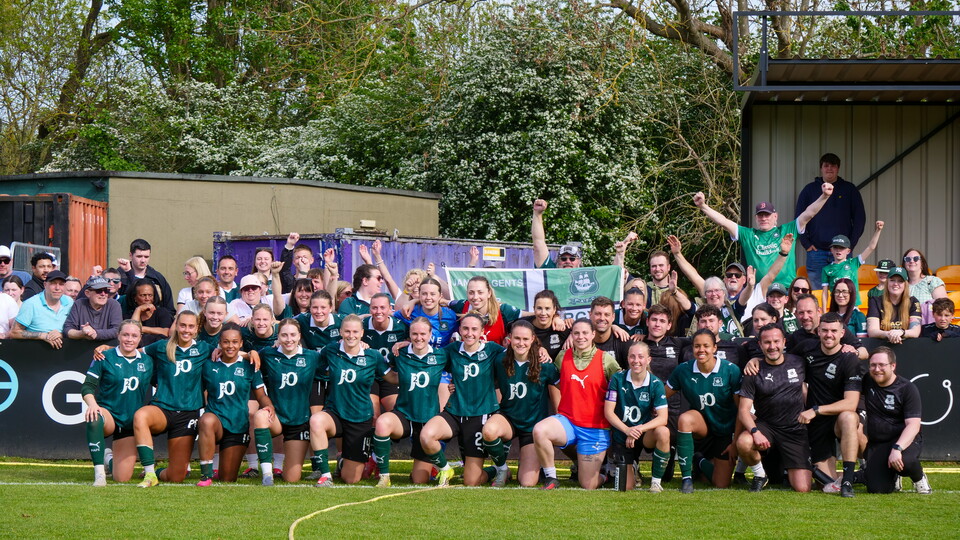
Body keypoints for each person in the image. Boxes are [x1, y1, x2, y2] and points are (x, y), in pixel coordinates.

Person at [534, 319, 620, 490]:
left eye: (585, 333)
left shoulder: (606, 360)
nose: (581, 337)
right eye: (576, 333)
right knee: (540, 430)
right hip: (568, 421)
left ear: (593, 335)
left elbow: (620, 386)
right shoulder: (562, 356)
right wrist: (541, 350)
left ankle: (605, 475)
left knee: (588, 484)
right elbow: (555, 380)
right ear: (571, 335)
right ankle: (551, 478)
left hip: (595, 428)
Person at [694, 182, 833, 287]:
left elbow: (809, 213)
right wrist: (703, 206)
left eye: (767, 215)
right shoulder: (747, 235)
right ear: (756, 218)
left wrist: (824, 196)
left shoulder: (786, 230)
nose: (764, 218)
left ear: (775, 216)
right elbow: (723, 222)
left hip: (786, 290)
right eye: (760, 216)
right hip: (761, 291)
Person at [421, 313, 505, 487]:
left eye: (474, 329)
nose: (469, 333)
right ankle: (445, 469)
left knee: (471, 482)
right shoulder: (451, 350)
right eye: (465, 328)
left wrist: (541, 351)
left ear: (482, 331)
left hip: (479, 415)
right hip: (454, 411)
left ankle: (495, 470)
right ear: (459, 330)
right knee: (427, 435)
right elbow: (426, 354)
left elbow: (519, 354)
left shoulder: (493, 350)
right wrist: (404, 344)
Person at [133, 310, 212, 487]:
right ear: (176, 326)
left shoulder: (204, 348)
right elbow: (132, 352)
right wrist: (109, 350)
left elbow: (230, 354)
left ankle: (159, 472)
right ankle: (150, 473)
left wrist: (250, 353)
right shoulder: (161, 346)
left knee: (177, 476)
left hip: (187, 414)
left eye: (191, 326)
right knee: (141, 416)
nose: (186, 330)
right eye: (182, 325)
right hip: (162, 408)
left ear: (197, 328)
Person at [309, 314, 390, 486]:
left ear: (362, 333)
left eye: (355, 331)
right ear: (340, 332)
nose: (351, 335)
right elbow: (315, 366)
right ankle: (325, 475)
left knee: (351, 479)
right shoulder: (330, 350)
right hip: (335, 413)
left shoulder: (373, 356)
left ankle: (342, 461)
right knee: (316, 420)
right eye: (347, 331)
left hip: (360, 417)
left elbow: (391, 377)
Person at [789, 312, 863, 497]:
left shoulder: (849, 358)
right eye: (825, 330)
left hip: (838, 416)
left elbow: (851, 403)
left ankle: (847, 481)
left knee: (848, 417)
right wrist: (756, 360)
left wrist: (815, 410)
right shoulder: (806, 348)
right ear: (818, 331)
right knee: (825, 484)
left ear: (842, 333)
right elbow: (781, 361)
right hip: (819, 422)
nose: (829, 335)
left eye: (833, 331)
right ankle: (864, 475)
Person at [483, 320, 561, 487]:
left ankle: (532, 466)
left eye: (525, 339)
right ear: (510, 338)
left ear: (533, 339)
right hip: (508, 419)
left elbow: (557, 388)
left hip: (532, 426)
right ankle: (502, 469)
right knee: (489, 431)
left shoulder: (544, 364)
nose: (521, 343)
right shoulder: (500, 360)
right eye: (517, 338)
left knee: (527, 482)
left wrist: (558, 416)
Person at [372, 317, 449, 487]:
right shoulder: (400, 353)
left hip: (427, 419)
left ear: (430, 335)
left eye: (423, 334)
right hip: (404, 415)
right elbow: (389, 374)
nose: (418, 337)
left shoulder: (442, 355)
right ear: (409, 335)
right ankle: (384, 476)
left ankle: (436, 467)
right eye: (414, 334)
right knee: (383, 422)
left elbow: (459, 369)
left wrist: (453, 386)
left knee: (419, 480)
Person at [735, 324, 811, 492]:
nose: (772, 346)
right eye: (767, 342)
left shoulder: (799, 362)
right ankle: (760, 475)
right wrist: (756, 432)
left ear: (784, 342)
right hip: (767, 428)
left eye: (776, 341)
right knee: (744, 442)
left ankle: (784, 469)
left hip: (794, 430)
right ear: (760, 345)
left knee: (802, 488)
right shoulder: (753, 371)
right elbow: (743, 410)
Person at [666, 330, 742, 494]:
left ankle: (698, 460)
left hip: (724, 432)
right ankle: (687, 479)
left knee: (720, 484)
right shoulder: (683, 370)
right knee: (685, 419)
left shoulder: (731, 370)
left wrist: (735, 442)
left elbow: (741, 409)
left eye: (706, 346)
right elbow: (662, 396)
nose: (701, 350)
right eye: (697, 346)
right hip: (701, 429)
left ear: (714, 348)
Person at [196, 324, 273, 485]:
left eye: (234, 342)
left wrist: (268, 406)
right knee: (206, 420)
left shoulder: (250, 365)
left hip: (238, 426)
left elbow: (261, 396)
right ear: (219, 343)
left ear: (241, 343)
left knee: (228, 478)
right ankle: (206, 475)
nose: (230, 346)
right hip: (216, 420)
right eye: (226, 342)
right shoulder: (209, 364)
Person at [81, 320, 154, 486]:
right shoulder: (104, 356)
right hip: (109, 416)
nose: (129, 339)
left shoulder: (148, 361)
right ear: (118, 336)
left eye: (134, 336)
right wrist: (92, 404)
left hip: (130, 423)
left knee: (122, 477)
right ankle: (99, 474)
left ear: (140, 338)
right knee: (94, 418)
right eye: (125, 335)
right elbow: (87, 386)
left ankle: (109, 459)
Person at [253, 318, 324, 484]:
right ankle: (267, 474)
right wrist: (249, 353)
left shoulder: (312, 357)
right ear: (278, 337)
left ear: (299, 336)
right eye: (284, 335)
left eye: (293, 335)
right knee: (259, 416)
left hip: (299, 421)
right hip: (276, 417)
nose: (289, 339)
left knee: (292, 478)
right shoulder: (267, 354)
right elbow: (246, 358)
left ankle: (288, 467)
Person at [861, 347, 931, 494]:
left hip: (904, 441)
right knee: (877, 489)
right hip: (879, 442)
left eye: (882, 365)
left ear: (893, 366)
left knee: (905, 462)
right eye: (873, 365)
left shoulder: (907, 388)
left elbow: (913, 425)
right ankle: (893, 477)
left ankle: (919, 478)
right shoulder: (867, 380)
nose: (877, 369)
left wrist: (897, 448)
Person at [603, 341, 671, 492]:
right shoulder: (617, 379)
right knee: (625, 487)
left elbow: (663, 418)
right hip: (623, 436)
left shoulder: (656, 383)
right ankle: (633, 465)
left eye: (641, 357)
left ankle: (656, 482)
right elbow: (608, 412)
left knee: (663, 431)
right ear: (627, 358)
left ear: (648, 360)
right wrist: (627, 430)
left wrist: (638, 429)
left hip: (645, 434)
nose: (636, 361)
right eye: (632, 356)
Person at [795, 153, 866, 289]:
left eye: (833, 166)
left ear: (838, 168)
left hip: (842, 252)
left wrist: (851, 243)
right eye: (826, 165)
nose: (829, 169)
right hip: (816, 253)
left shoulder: (849, 189)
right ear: (821, 168)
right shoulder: (809, 190)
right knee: (817, 292)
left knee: (843, 291)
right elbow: (799, 218)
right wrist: (806, 243)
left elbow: (860, 219)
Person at [363, 293, 408, 419]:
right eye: (374, 308)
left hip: (391, 376)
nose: (378, 312)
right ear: (369, 309)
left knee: (395, 413)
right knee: (373, 415)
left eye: (383, 308)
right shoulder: (361, 326)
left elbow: (415, 343)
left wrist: (407, 343)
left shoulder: (401, 327)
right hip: (369, 376)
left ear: (390, 309)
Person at [448, 276, 526, 345]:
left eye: (480, 292)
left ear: (489, 293)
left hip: (496, 360)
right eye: (471, 293)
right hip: (468, 359)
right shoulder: (461, 306)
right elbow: (443, 302)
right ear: (467, 293)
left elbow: (534, 316)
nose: (475, 297)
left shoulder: (503, 310)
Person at [820, 221, 883, 305]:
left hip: (853, 307)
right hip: (836, 307)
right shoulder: (826, 269)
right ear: (831, 250)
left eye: (842, 248)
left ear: (848, 251)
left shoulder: (853, 263)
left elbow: (871, 247)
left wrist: (878, 230)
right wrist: (825, 314)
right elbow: (824, 293)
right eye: (835, 247)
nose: (838, 250)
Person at [787, 294, 866, 359]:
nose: (805, 317)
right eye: (801, 313)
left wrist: (855, 352)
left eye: (809, 312)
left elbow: (864, 352)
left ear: (818, 312)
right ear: (796, 314)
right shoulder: (796, 337)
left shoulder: (835, 327)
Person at [9, 270, 72, 348]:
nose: (57, 288)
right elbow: (14, 332)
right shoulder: (31, 304)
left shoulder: (69, 302)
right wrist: (42, 335)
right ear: (45, 285)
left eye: (61, 284)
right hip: (35, 353)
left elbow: (74, 328)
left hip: (64, 354)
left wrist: (61, 334)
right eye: (53, 283)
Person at [337, 241, 400, 315]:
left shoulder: (387, 298)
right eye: (378, 278)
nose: (382, 281)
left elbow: (389, 281)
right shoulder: (350, 303)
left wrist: (374, 258)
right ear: (365, 281)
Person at [395, 278, 458, 348]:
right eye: (424, 294)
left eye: (432, 294)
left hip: (441, 358)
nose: (428, 297)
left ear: (440, 296)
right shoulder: (410, 312)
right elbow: (389, 317)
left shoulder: (450, 316)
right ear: (419, 295)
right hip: (415, 358)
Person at [117, 238, 175, 314]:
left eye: (146, 257)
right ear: (131, 255)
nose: (143, 260)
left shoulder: (157, 278)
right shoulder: (118, 277)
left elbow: (169, 307)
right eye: (139, 256)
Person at [866, 267, 921, 344]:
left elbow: (915, 332)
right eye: (892, 280)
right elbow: (872, 331)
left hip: (907, 346)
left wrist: (901, 332)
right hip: (882, 346)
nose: (895, 284)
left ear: (905, 284)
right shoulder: (875, 301)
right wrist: (889, 334)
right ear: (887, 282)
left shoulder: (913, 302)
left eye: (900, 281)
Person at [516, 289, 570, 360]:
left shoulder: (561, 327)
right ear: (534, 309)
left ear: (554, 310)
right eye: (539, 308)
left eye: (547, 308)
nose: (543, 313)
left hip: (555, 369)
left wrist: (572, 335)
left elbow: (582, 330)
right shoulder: (523, 325)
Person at [64, 276, 122, 341]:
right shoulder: (79, 304)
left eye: (106, 291)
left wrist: (96, 333)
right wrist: (82, 333)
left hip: (106, 349)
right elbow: (67, 329)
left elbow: (117, 330)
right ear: (87, 293)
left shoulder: (114, 305)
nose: (103, 294)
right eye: (99, 290)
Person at [531, 198, 582, 269]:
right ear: (558, 261)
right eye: (563, 258)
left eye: (572, 258)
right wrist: (537, 213)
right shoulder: (551, 270)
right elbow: (538, 244)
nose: (568, 261)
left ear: (579, 261)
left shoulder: (587, 277)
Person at [123, 279, 173, 347]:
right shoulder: (129, 315)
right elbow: (132, 332)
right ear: (135, 297)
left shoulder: (162, 312)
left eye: (150, 295)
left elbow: (166, 332)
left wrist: (142, 329)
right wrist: (138, 310)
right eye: (143, 295)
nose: (147, 298)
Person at [587, 296, 633, 368]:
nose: (602, 318)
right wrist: (571, 334)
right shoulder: (581, 339)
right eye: (598, 314)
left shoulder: (623, 340)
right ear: (590, 315)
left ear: (613, 317)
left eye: (607, 314)